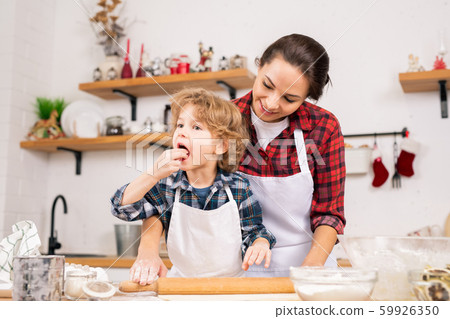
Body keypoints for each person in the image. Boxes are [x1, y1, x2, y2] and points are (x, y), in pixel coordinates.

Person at [111, 88, 276, 283]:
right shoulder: (167, 184)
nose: (182, 133)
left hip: (230, 289)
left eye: (196, 128)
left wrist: (260, 243)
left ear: (222, 145)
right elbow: (122, 208)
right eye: (180, 125)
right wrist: (152, 174)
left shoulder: (238, 186)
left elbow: (254, 231)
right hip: (181, 286)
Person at [233, 34, 346, 277]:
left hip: (307, 263)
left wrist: (312, 268)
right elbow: (174, 189)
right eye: (267, 85)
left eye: (290, 98)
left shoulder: (323, 127)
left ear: (306, 97)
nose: (272, 103)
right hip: (238, 267)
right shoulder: (222, 118)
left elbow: (329, 213)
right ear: (260, 65)